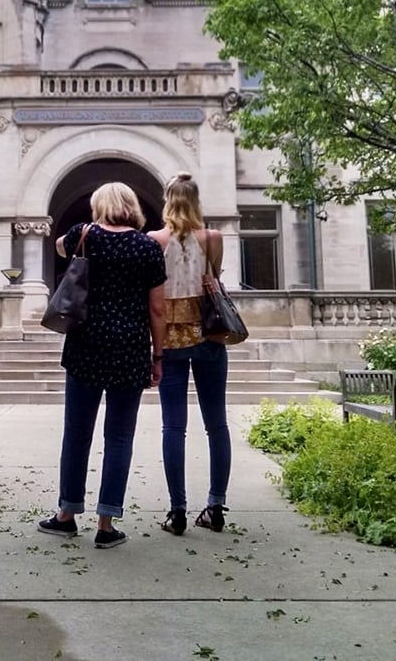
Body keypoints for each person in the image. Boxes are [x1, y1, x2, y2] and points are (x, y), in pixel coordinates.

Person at [38, 182, 167, 549]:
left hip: (85, 345)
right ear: (132, 207)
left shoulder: (84, 235)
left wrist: (83, 231)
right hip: (129, 348)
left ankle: (66, 515)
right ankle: (106, 523)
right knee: (120, 436)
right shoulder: (148, 247)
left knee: (77, 432)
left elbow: (59, 245)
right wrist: (159, 356)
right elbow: (158, 309)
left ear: (99, 206)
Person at [147, 171, 231, 536]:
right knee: (217, 425)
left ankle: (177, 511)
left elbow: (153, 302)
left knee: (173, 426)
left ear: (167, 201)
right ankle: (215, 507)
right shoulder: (212, 238)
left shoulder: (154, 240)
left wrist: (156, 354)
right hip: (210, 338)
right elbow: (215, 281)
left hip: (171, 343)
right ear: (197, 202)